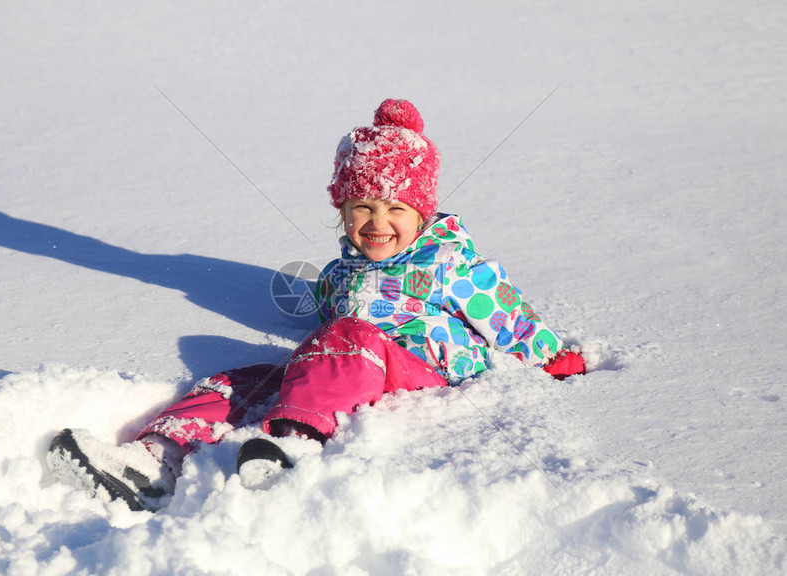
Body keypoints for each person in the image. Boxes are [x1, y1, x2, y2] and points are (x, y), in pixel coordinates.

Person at [46, 99, 586, 511]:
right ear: (342, 210)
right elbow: (329, 301)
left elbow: (508, 316)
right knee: (245, 378)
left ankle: (295, 446)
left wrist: (554, 356)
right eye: (362, 206)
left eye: (396, 207)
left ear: (422, 212)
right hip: (347, 366)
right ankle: (152, 458)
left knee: (347, 340)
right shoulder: (342, 271)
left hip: (422, 371)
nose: (378, 222)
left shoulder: (452, 263)